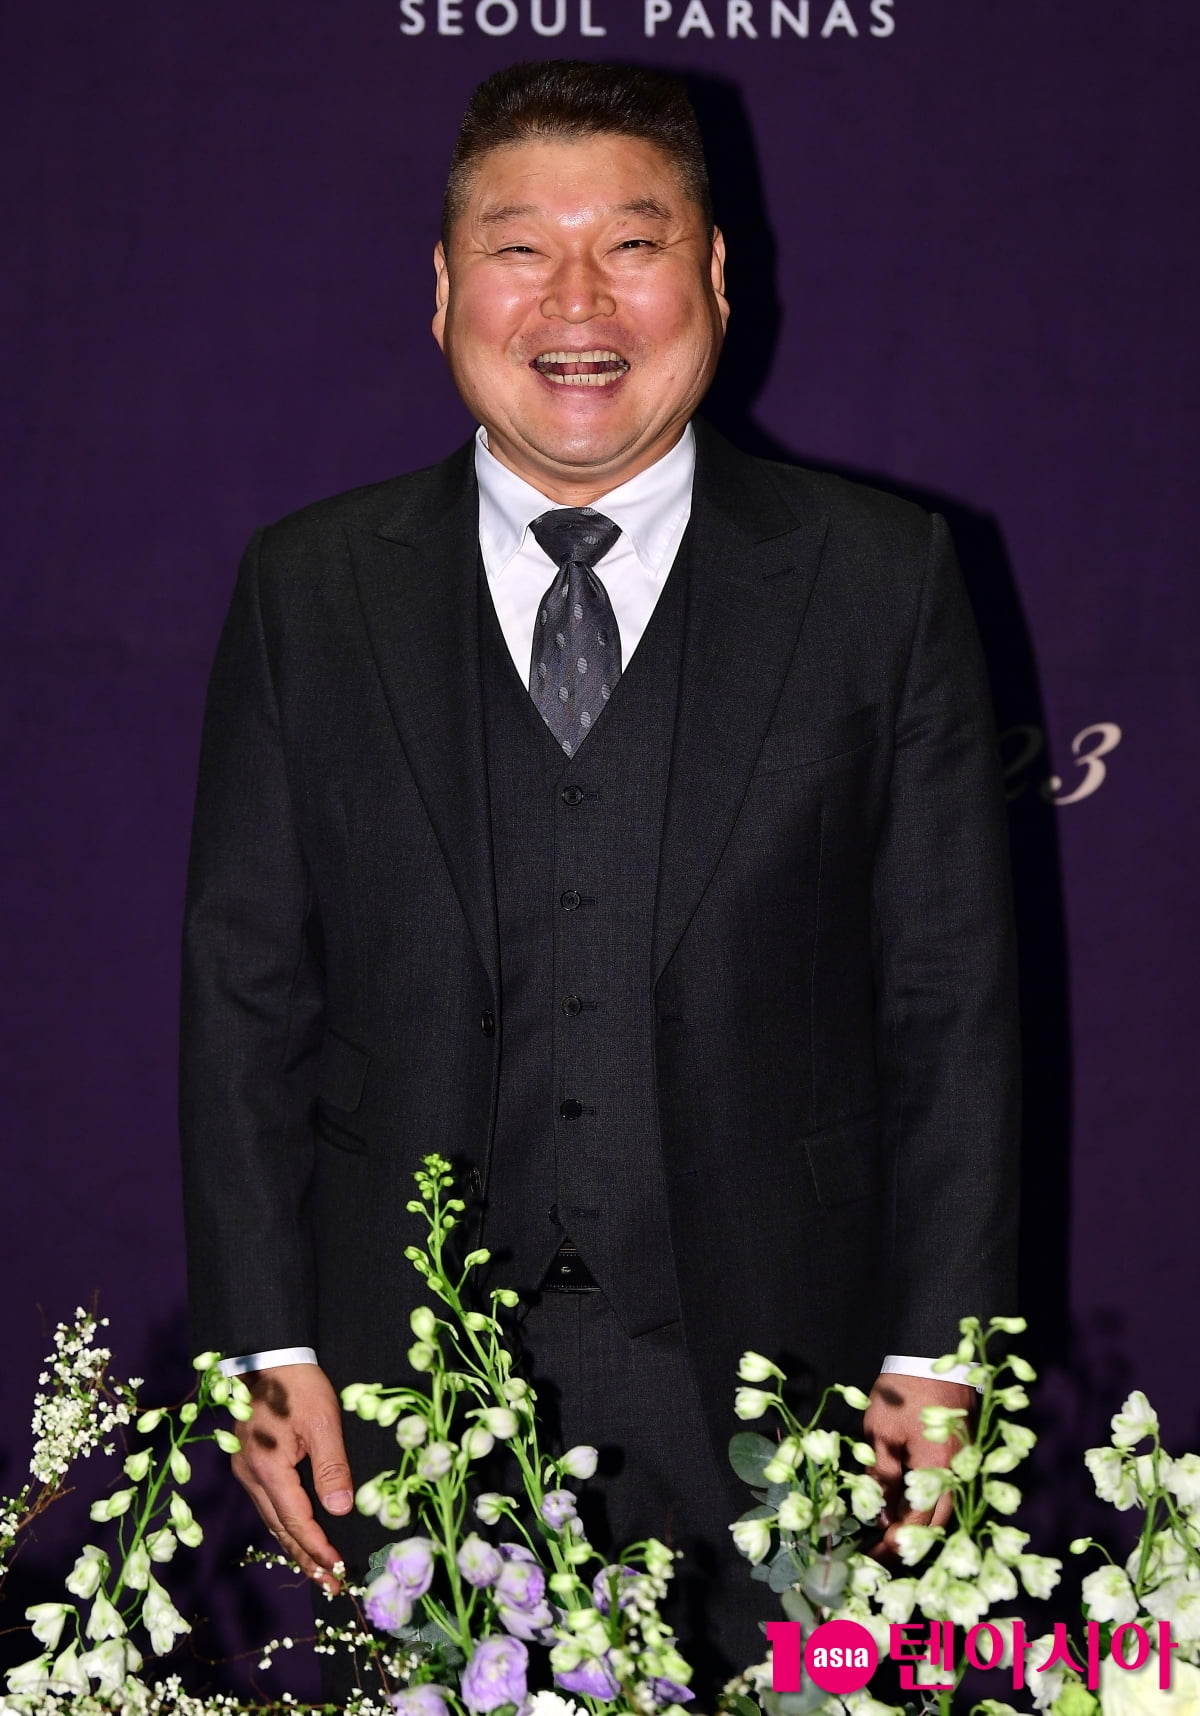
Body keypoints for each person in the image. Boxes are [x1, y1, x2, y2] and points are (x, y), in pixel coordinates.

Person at [179, 59, 1019, 1692]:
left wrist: (941, 1349)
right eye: (520, 249)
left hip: (797, 1379)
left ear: (716, 277)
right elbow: (245, 993)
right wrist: (265, 1341)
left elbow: (949, 998)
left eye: (632, 245)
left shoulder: (882, 578)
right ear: (443, 290)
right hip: (401, 1397)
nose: (577, 302)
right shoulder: (308, 589)